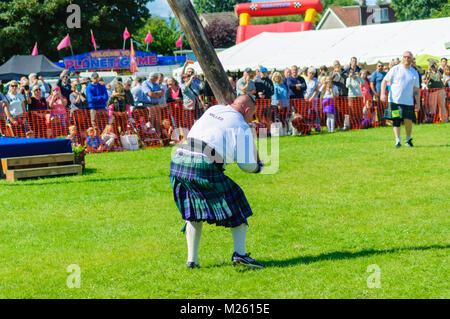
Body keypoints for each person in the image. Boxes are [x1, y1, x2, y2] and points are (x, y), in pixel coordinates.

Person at [170, 95, 264, 269]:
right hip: (203, 164)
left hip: (178, 161)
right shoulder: (242, 126)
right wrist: (258, 167)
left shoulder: (213, 109)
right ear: (247, 110)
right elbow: (245, 165)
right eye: (253, 115)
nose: (252, 119)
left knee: (194, 212)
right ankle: (240, 255)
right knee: (238, 205)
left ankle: (192, 261)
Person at [381, 51, 420, 148]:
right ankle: (397, 141)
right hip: (395, 101)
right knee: (396, 120)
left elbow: (416, 89)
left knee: (408, 120)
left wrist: (418, 102)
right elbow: (384, 81)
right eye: (404, 57)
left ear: (411, 59)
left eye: (408, 57)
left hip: (408, 101)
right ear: (402, 58)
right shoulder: (395, 69)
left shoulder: (414, 72)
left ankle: (408, 139)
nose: (406, 59)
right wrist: (382, 94)